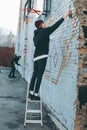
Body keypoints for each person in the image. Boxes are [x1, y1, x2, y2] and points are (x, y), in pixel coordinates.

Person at [29, 10, 72, 100]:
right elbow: (55, 26)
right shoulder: (45, 31)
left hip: (36, 57)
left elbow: (36, 44)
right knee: (39, 76)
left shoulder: (35, 35)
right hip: (42, 57)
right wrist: (65, 15)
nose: (45, 24)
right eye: (43, 23)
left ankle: (31, 93)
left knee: (34, 75)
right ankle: (36, 95)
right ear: (41, 25)